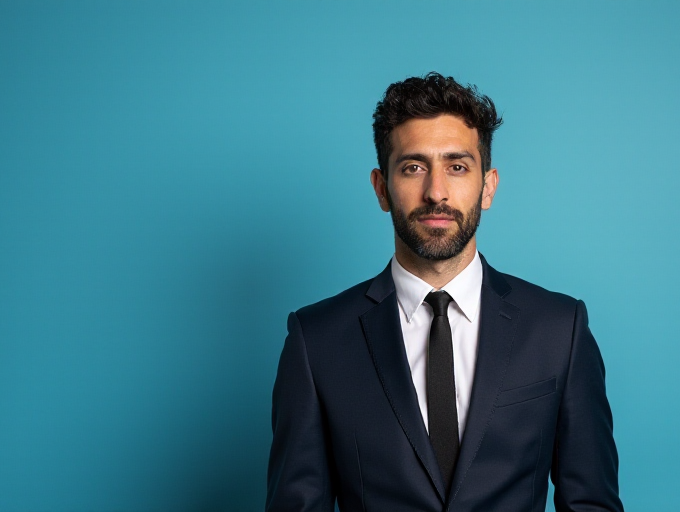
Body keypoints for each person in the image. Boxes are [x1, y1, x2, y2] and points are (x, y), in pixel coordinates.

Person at [266, 72, 623, 512]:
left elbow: (592, 503)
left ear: (487, 186)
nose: (436, 192)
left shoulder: (559, 329)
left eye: (457, 166)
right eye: (414, 167)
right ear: (382, 188)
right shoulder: (315, 340)